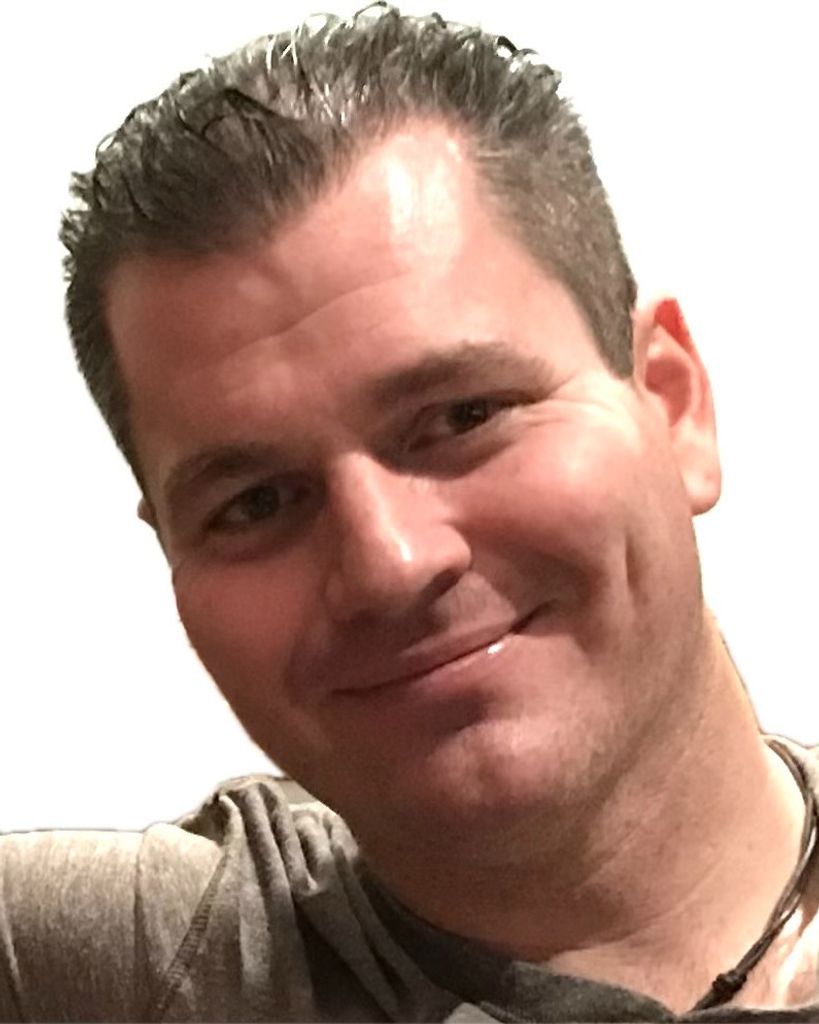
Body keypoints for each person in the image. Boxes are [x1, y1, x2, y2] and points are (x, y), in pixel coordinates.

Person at [1, 4, 817, 1021]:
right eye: (255, 502)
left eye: (464, 416)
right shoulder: (142, 966)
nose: (388, 560)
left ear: (670, 400)